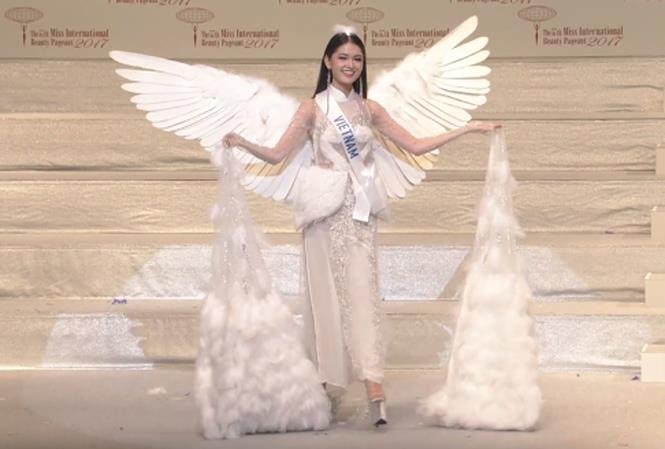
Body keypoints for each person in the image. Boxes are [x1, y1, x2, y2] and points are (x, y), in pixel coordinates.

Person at [222, 29, 499, 427]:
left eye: (356, 58)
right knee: (326, 300)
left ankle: (374, 386)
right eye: (343, 58)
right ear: (327, 61)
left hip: (360, 213)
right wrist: (242, 142)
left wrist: (467, 129)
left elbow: (416, 145)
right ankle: (328, 386)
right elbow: (278, 154)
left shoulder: (370, 109)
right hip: (324, 217)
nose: (350, 64)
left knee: (363, 296)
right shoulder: (312, 109)